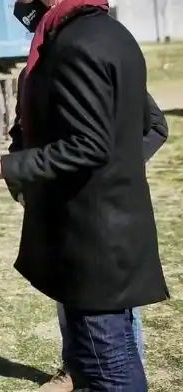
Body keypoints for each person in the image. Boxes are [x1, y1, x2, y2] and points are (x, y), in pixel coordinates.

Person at [0, 0, 170, 391]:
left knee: (109, 363)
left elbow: (90, 145)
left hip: (93, 240)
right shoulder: (111, 33)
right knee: (104, 356)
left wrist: (5, 167)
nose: (20, 6)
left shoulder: (74, 45)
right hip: (103, 230)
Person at [12, 86, 169, 392]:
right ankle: (76, 369)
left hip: (103, 210)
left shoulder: (102, 67)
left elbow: (156, 126)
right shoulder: (30, 74)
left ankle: (126, 374)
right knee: (66, 292)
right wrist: (20, 187)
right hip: (56, 210)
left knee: (115, 306)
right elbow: (21, 134)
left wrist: (113, 170)